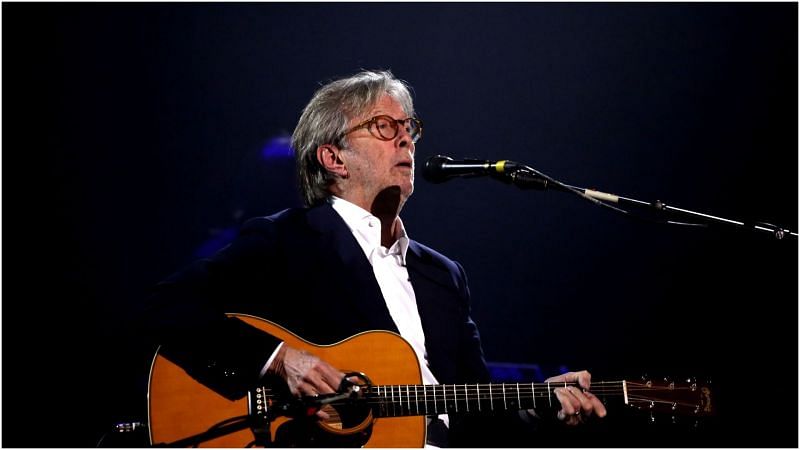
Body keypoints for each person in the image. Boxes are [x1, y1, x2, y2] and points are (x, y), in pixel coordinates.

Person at [141, 69, 606, 447]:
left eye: (411, 129)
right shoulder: (290, 240)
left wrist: (541, 405)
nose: (407, 140)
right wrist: (280, 360)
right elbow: (167, 306)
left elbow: (476, 413)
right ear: (333, 158)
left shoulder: (443, 276)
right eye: (386, 127)